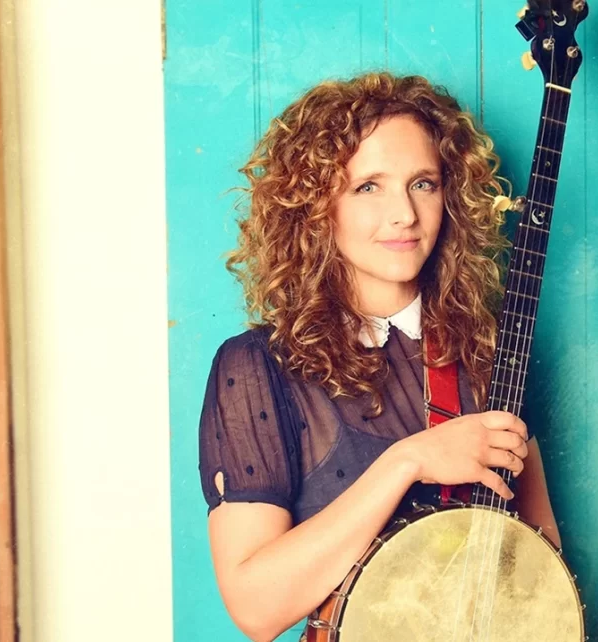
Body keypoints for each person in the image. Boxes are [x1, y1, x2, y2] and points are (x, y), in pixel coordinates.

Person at [197, 72, 562, 642]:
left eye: (423, 183)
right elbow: (256, 609)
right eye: (369, 186)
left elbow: (543, 577)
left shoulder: (487, 348)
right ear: (318, 206)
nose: (405, 215)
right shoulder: (257, 368)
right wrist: (408, 461)